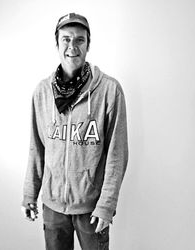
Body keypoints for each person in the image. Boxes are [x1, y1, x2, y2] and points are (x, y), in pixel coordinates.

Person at [21, 13, 128, 250]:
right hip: (52, 207)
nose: (72, 46)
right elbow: (36, 148)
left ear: (88, 45)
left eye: (80, 40)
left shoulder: (109, 91)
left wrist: (106, 205)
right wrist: (30, 193)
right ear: (57, 44)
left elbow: (117, 155)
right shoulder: (42, 92)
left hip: (91, 208)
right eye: (66, 39)